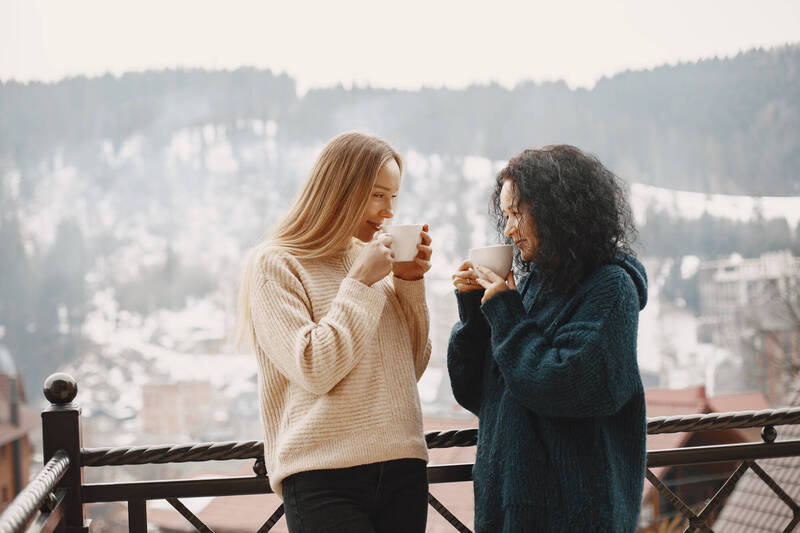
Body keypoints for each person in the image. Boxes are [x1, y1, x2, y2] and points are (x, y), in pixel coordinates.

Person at [236, 132, 433, 533]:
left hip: (403, 467)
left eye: (393, 197)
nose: (388, 212)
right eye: (378, 195)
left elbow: (409, 367)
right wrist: (359, 284)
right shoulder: (276, 264)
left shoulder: (371, 260)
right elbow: (315, 368)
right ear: (340, 189)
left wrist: (409, 283)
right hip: (322, 475)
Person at [447, 145, 647, 532]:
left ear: (559, 209)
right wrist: (475, 311)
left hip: (573, 518)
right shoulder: (534, 284)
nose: (508, 229)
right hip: (508, 513)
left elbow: (561, 383)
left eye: (518, 214)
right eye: (506, 216)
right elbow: (478, 393)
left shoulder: (611, 288)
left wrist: (505, 311)